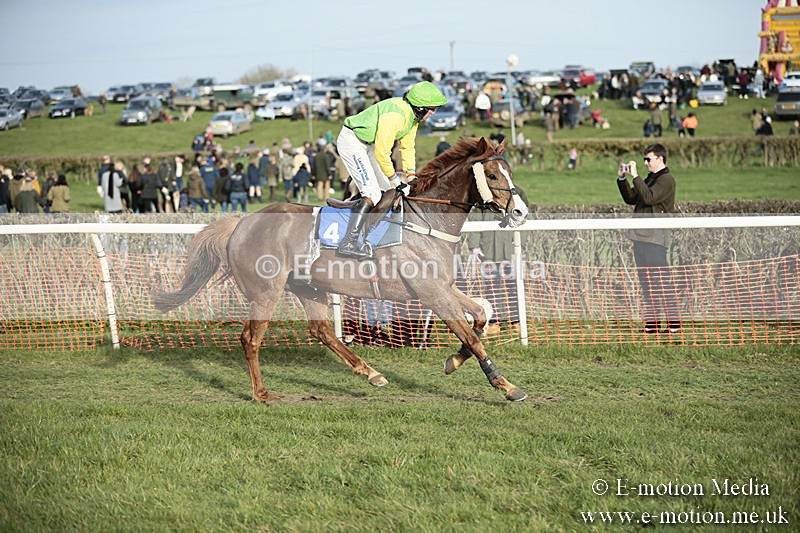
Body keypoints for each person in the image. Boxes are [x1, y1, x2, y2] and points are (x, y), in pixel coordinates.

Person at [335, 81, 448, 259]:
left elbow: (407, 148)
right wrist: (396, 180)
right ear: (420, 107)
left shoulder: (412, 118)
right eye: (432, 108)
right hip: (352, 142)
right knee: (372, 193)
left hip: (368, 145)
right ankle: (348, 242)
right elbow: (382, 153)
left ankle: (372, 237)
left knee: (389, 192)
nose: (434, 112)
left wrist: (411, 176)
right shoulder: (396, 116)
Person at [617, 143, 681, 334]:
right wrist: (622, 179)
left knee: (661, 281)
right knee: (647, 283)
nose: (645, 163)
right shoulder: (650, 178)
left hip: (655, 239)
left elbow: (649, 197)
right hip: (641, 238)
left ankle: (674, 324)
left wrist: (636, 177)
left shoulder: (666, 180)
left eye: (648, 159)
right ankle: (652, 324)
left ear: (660, 159)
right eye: (644, 159)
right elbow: (632, 198)